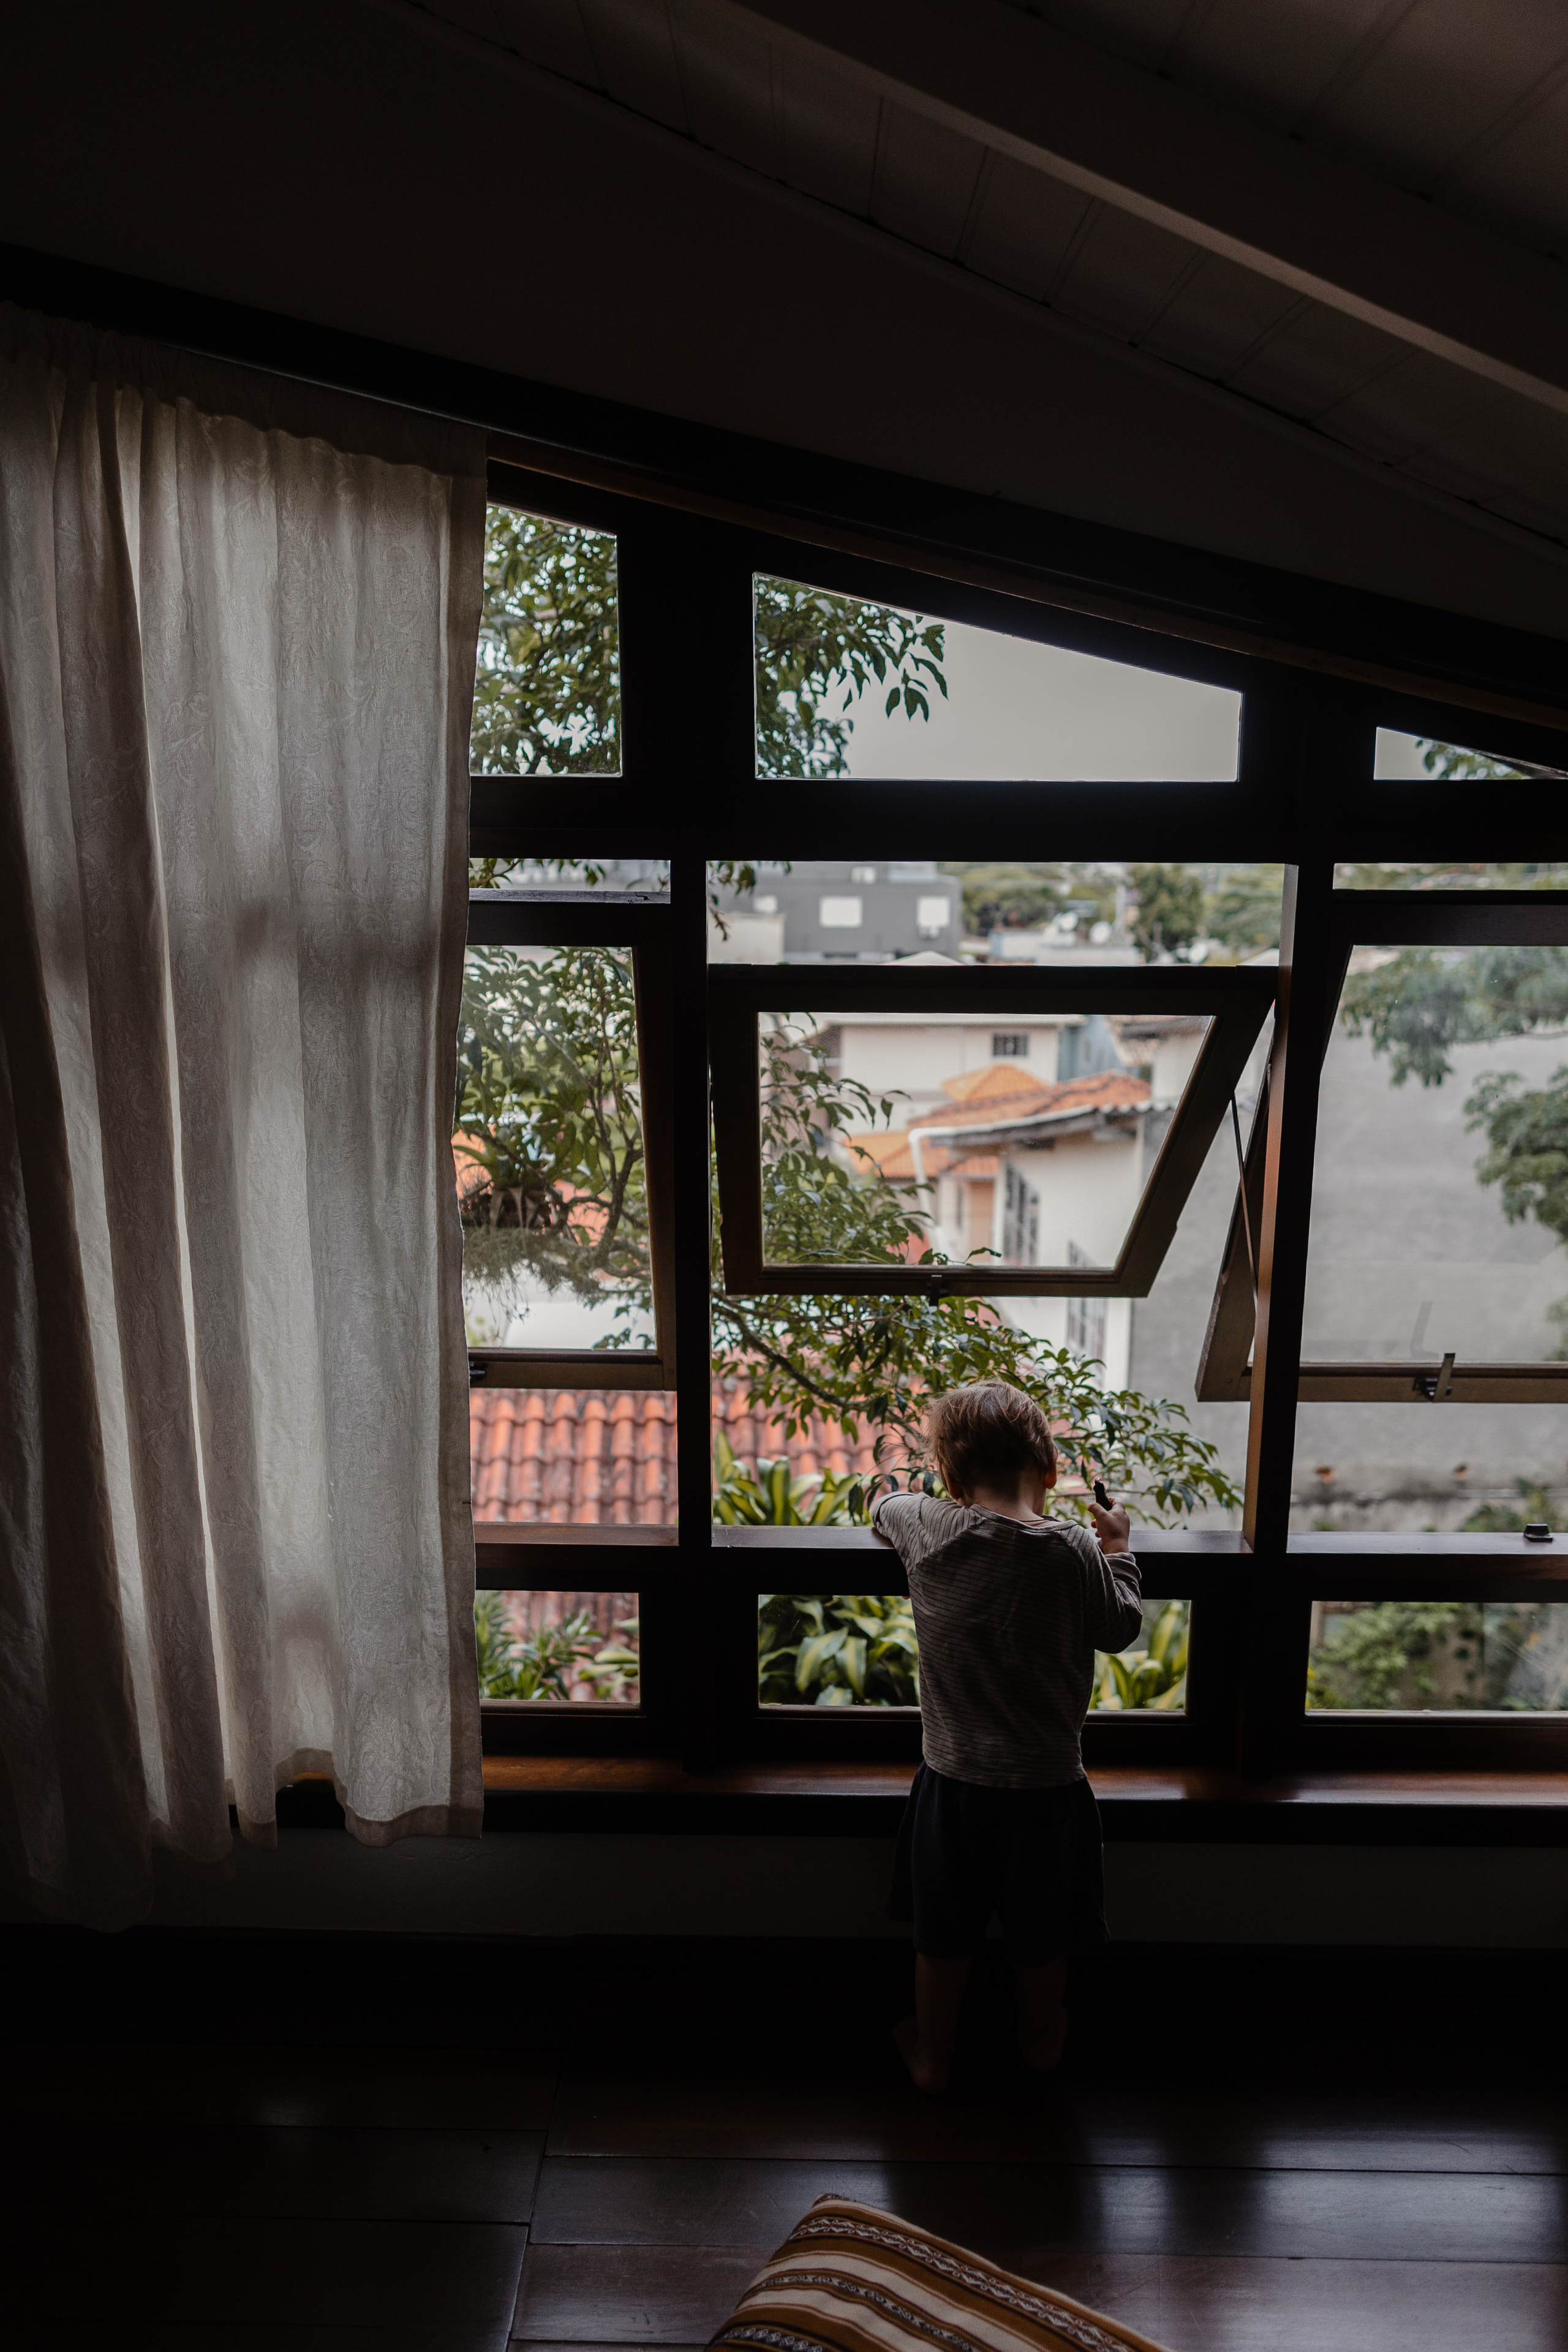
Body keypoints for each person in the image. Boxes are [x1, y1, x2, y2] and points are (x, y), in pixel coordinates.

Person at [873, 1378, 1142, 2095]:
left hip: (951, 1783)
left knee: (943, 1934)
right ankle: (1038, 2043)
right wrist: (1119, 1549)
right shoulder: (1073, 1548)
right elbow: (1119, 1631)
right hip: (1048, 1788)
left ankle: (932, 2056)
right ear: (1051, 1473)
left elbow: (883, 1505)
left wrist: (890, 1491)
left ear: (953, 1479)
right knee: (1041, 1935)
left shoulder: (928, 1526)